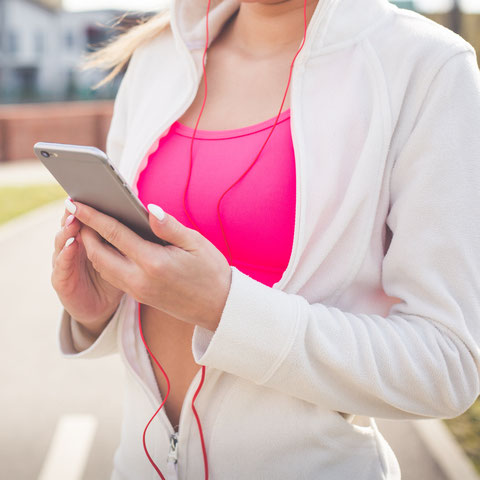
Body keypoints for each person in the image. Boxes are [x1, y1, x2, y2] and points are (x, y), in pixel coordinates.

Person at [52, 0, 480, 478]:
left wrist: (226, 308)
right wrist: (97, 313)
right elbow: (152, 295)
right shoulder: (158, 55)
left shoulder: (426, 67)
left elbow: (446, 365)